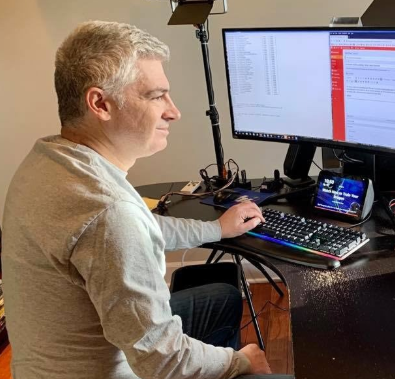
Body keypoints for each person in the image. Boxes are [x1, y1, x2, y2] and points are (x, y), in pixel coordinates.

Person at [1, 21, 281, 379]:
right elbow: (165, 362)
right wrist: (241, 362)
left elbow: (135, 228)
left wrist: (214, 229)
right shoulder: (108, 212)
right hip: (124, 369)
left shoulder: (49, 160)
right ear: (100, 103)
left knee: (221, 297)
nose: (173, 111)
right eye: (155, 96)